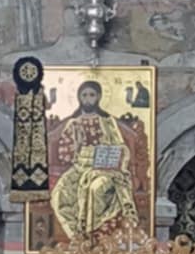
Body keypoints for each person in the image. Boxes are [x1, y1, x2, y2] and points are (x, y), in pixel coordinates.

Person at [48, 80, 142, 243]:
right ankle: (77, 237)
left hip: (105, 169)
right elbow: (64, 153)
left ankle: (94, 237)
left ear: (98, 97)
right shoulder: (73, 123)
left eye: (91, 95)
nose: (88, 99)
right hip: (79, 168)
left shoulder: (107, 122)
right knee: (59, 193)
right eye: (84, 95)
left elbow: (121, 147)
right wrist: (76, 146)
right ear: (79, 98)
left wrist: (111, 155)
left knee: (94, 189)